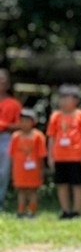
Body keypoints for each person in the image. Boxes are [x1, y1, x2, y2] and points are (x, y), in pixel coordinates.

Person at [47, 84, 81, 220]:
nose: (63, 101)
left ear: (76, 100)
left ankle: (77, 211)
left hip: (76, 156)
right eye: (61, 98)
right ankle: (65, 210)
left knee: (77, 184)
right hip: (60, 156)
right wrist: (50, 156)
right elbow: (51, 137)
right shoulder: (55, 116)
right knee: (62, 184)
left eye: (67, 98)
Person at [10, 110, 44, 218]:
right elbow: (12, 154)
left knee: (32, 190)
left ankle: (33, 211)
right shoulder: (15, 136)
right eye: (22, 121)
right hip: (19, 168)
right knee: (21, 190)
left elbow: (41, 154)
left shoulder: (38, 136)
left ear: (33, 122)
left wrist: (41, 170)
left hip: (33, 168)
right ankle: (21, 211)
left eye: (27, 121)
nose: (24, 124)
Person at [0, 69, 21, 211]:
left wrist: (4, 126)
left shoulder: (14, 104)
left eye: (3, 80)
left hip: (6, 138)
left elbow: (21, 125)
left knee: (3, 172)